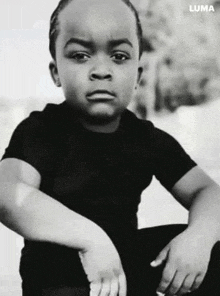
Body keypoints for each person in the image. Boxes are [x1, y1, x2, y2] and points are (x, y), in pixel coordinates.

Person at [0, 0, 220, 295]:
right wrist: (91, 239)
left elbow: (206, 191)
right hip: (58, 280)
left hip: (124, 268)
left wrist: (199, 237)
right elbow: (7, 194)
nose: (101, 70)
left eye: (119, 56)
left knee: (212, 251)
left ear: (138, 76)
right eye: (80, 55)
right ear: (55, 73)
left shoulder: (145, 138)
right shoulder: (42, 130)